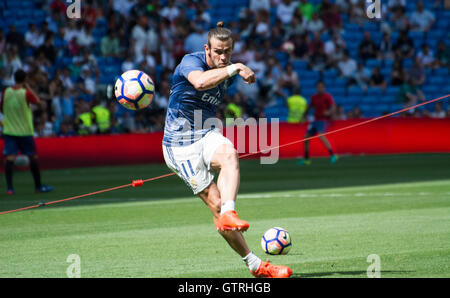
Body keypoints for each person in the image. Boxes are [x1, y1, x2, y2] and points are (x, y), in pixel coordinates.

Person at [162, 21, 292, 278]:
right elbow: (199, 83)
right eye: (218, 52)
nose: (223, 57)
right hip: (179, 146)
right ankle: (255, 264)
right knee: (215, 204)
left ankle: (230, 212)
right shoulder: (191, 61)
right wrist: (236, 66)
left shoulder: (227, 72)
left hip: (204, 133)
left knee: (230, 155)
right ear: (206, 49)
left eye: (228, 52)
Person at [0, 69, 53, 194]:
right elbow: (41, 104)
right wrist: (28, 86)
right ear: (25, 79)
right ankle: (38, 187)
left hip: (9, 130)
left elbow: (1, 108)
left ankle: (10, 189)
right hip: (24, 131)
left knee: (10, 158)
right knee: (33, 158)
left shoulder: (6, 92)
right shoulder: (26, 93)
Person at [297, 81, 338, 165]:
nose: (320, 88)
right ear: (316, 88)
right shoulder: (314, 97)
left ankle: (333, 155)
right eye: (318, 87)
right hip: (316, 120)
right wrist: (303, 116)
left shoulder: (327, 96)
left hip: (323, 120)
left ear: (324, 88)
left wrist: (329, 112)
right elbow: (309, 107)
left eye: (321, 87)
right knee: (306, 137)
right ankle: (307, 159)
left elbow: (333, 106)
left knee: (321, 135)